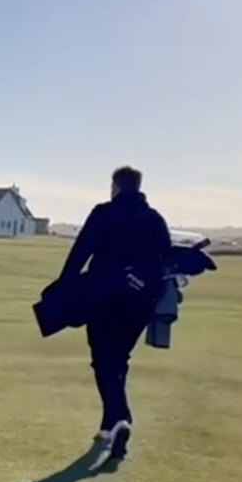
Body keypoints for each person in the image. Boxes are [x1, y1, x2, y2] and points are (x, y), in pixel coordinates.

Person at [59, 166, 171, 460]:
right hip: (140, 303)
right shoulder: (155, 219)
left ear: (116, 187)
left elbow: (81, 252)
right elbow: (164, 262)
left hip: (103, 297)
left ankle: (120, 418)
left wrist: (63, 286)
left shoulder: (104, 213)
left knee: (102, 360)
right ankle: (110, 423)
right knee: (118, 359)